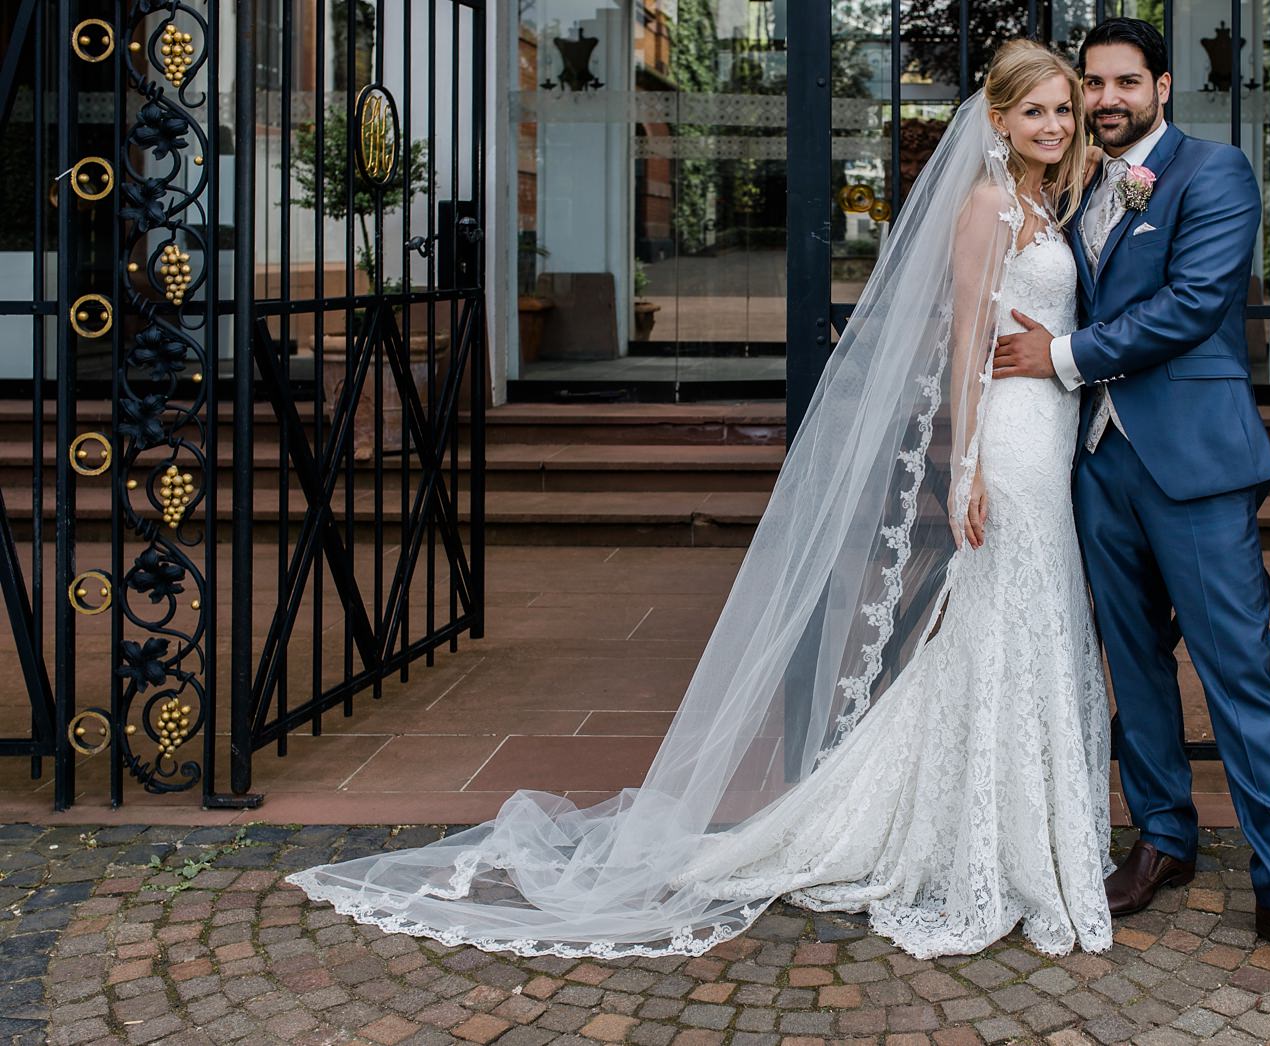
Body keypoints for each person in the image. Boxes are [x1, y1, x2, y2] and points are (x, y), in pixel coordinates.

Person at [287, 40, 1116, 962]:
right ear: (996, 117)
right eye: (1035, 110)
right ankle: (986, 830)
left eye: (1062, 111)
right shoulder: (989, 205)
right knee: (1003, 615)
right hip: (1008, 438)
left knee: (1029, 616)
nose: (1053, 125)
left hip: (1053, 431)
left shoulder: (1055, 203)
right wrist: (965, 470)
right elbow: (963, 344)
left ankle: (1021, 821)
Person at [989, 17, 1270, 996]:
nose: (1105, 98)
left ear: (1162, 87)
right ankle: (1162, 836)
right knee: (1133, 669)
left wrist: (1060, 357)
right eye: (1091, 82)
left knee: (1238, 676)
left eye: (1125, 81)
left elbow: (1194, 299)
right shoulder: (1072, 181)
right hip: (1091, 463)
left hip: (1195, 465)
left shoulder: (1214, 174)